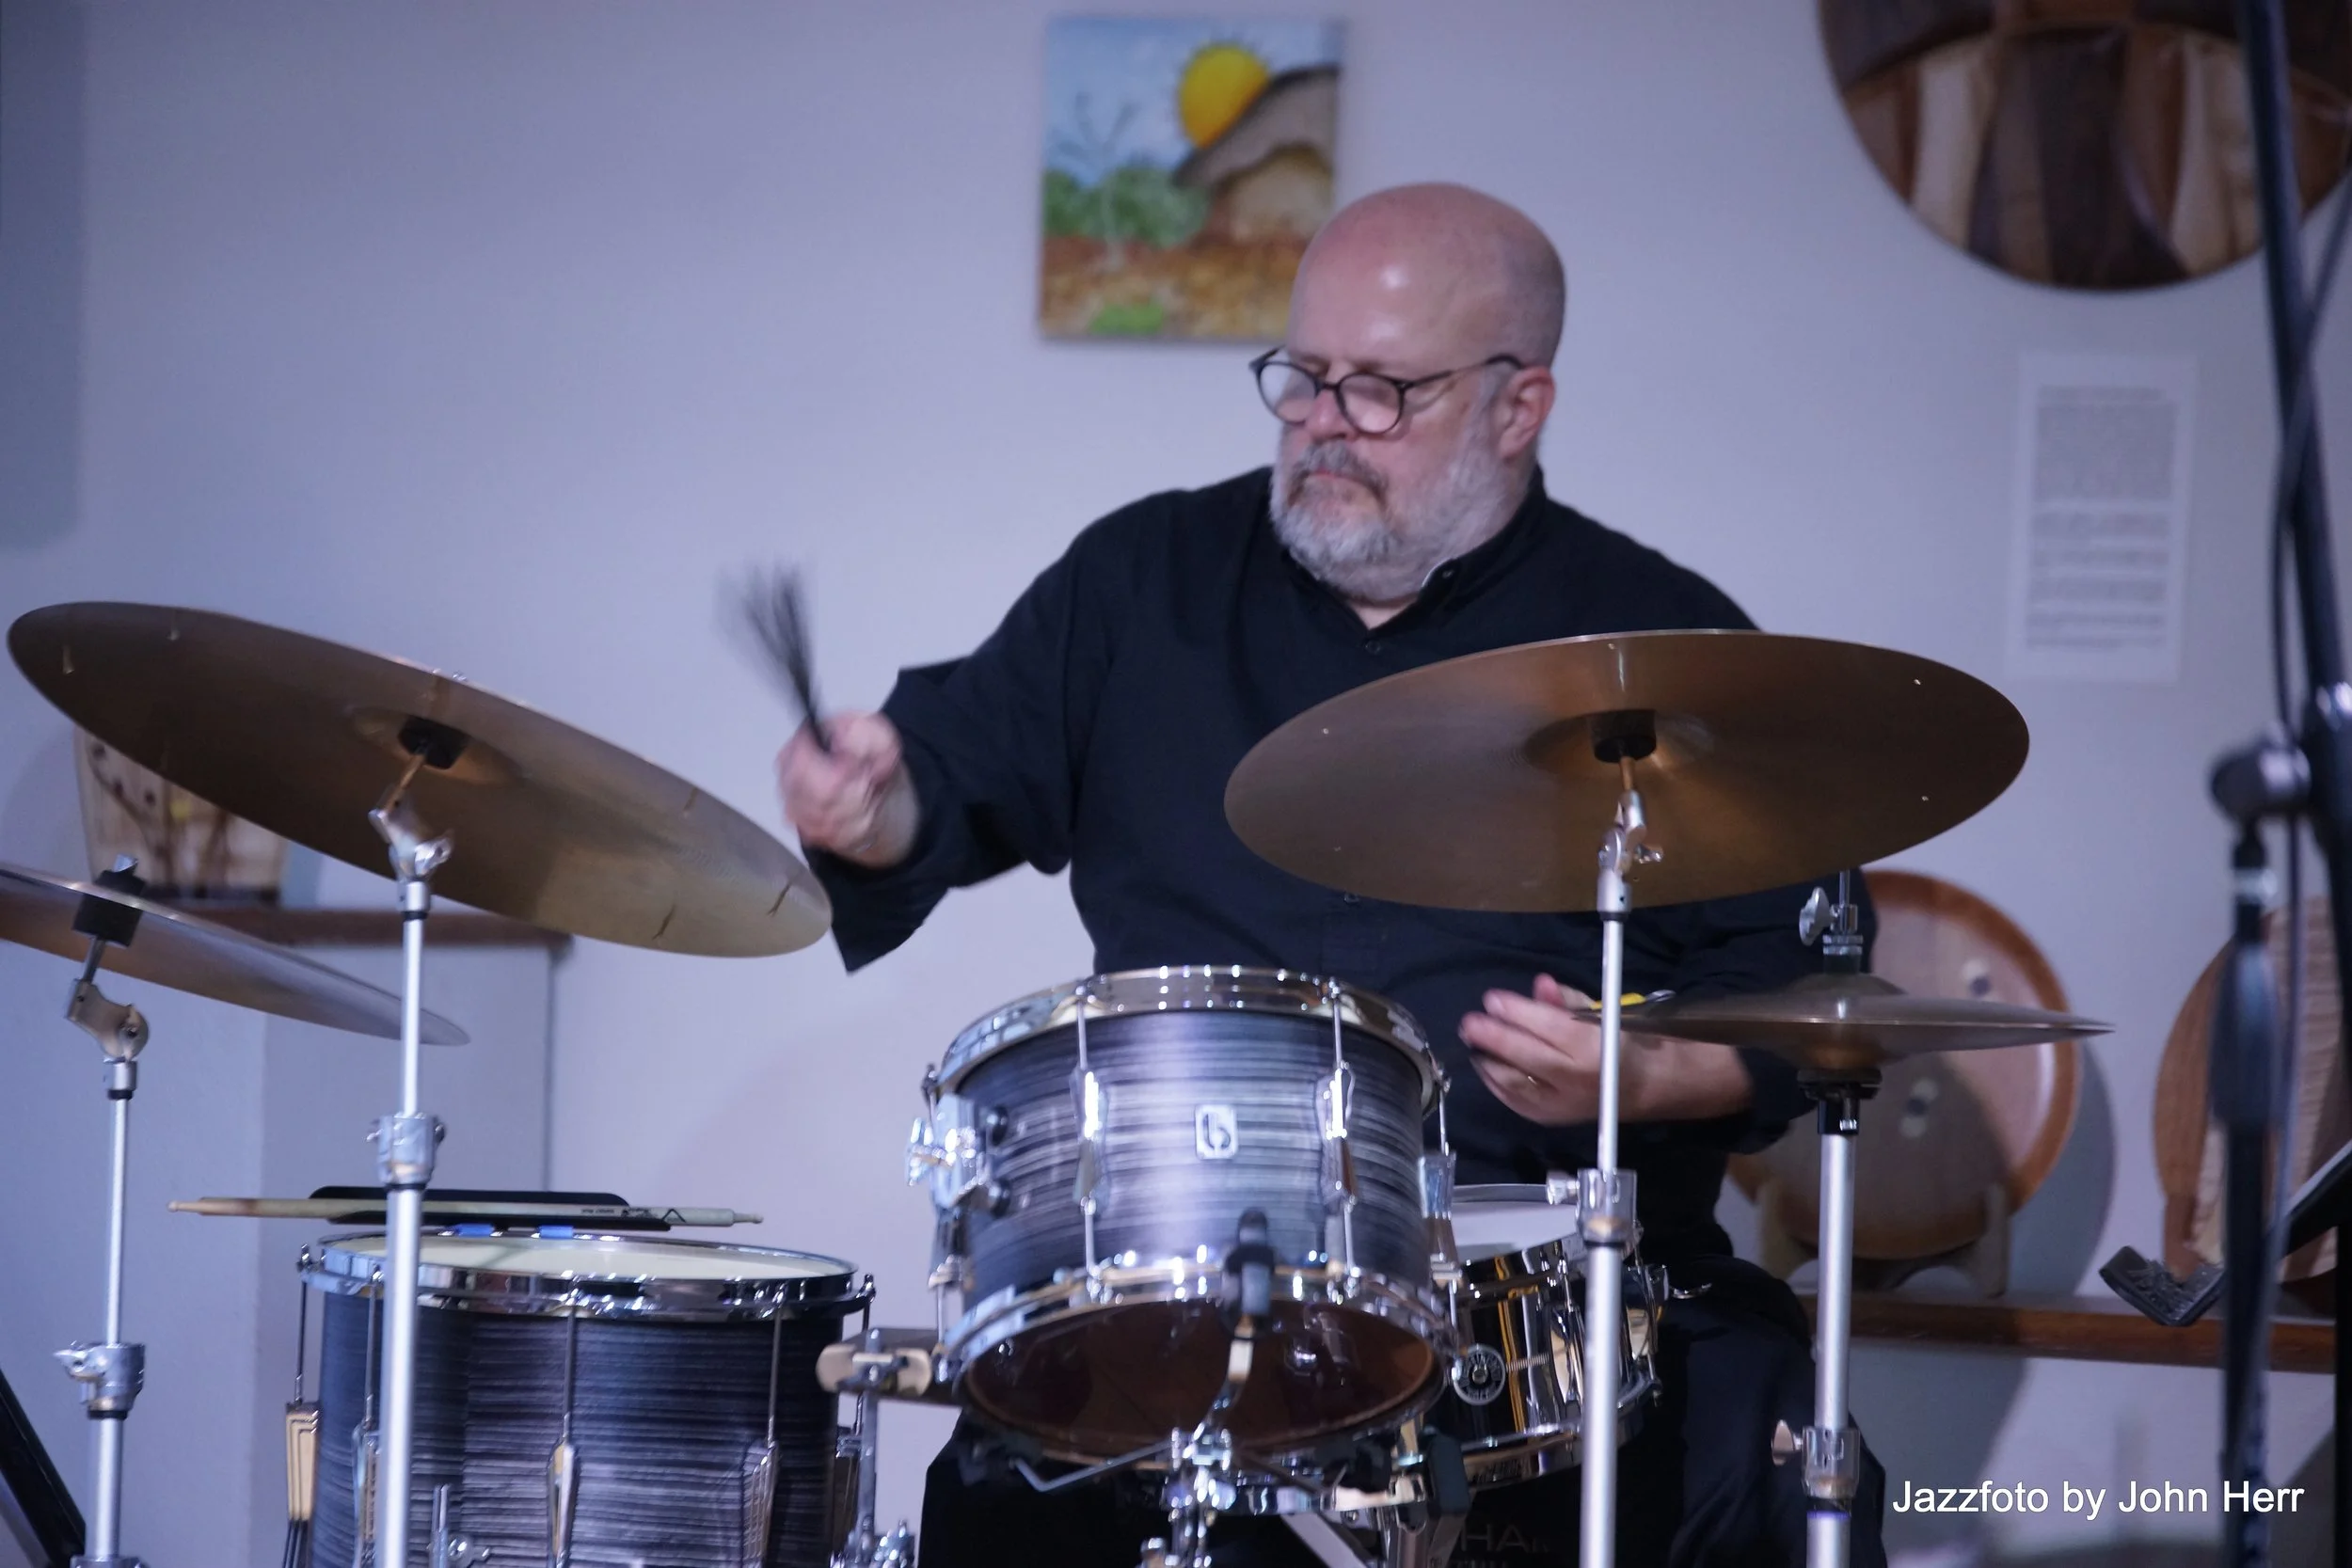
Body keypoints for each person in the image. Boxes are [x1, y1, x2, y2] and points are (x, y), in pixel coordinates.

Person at [780, 182, 1886, 1568]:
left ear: (1518, 406)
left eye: (1380, 391)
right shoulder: (1146, 582)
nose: (1320, 423)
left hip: (1557, 1299)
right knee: (1003, 1502)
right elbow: (943, 783)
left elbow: (1810, 993)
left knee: (1764, 1465)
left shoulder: (1663, 648)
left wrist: (1649, 1077)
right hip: (1182, 1277)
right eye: (1302, 378)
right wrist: (874, 806)